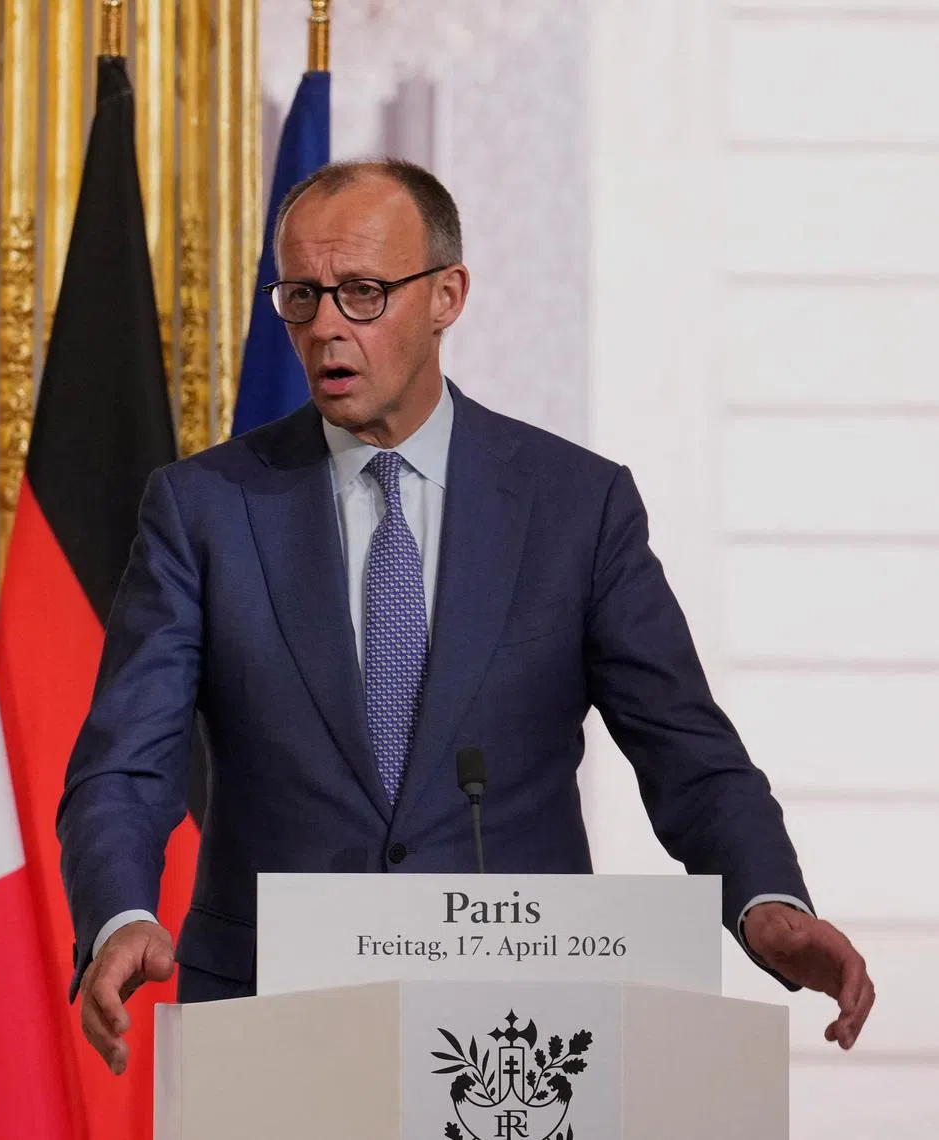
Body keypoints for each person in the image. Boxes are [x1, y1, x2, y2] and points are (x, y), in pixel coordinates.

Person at [57, 159, 875, 1075]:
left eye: (363, 293)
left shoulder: (576, 507)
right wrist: (120, 914)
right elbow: (125, 762)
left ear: (447, 295)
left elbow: (687, 751)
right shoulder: (205, 507)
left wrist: (767, 900)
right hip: (270, 1016)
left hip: (519, 1036)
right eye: (301, 296)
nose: (325, 326)